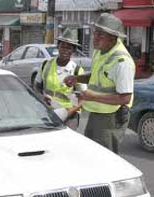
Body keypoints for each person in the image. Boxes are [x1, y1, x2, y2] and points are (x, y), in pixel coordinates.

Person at [64, 13, 135, 154]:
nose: (94, 38)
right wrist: (77, 78)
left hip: (112, 117)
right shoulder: (100, 52)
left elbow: (125, 98)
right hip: (97, 112)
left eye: (100, 35)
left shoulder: (122, 62)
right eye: (95, 33)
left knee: (105, 156)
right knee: (92, 152)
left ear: (113, 38)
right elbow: (96, 76)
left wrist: (91, 97)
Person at [34, 28, 86, 130]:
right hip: (48, 112)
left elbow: (83, 99)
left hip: (70, 116)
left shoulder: (77, 70)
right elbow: (37, 86)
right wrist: (42, 97)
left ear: (73, 50)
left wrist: (69, 111)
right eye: (62, 47)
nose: (65, 51)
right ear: (58, 46)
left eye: (69, 48)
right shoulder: (46, 65)